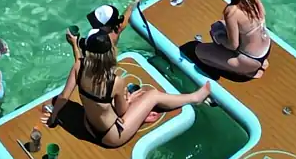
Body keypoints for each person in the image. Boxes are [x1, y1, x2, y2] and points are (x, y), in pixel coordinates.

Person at [46, 29, 210, 149]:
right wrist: (129, 100)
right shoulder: (115, 82)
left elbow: (63, 97)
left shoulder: (78, 67)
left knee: (106, 103)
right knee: (152, 95)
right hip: (112, 136)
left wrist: (53, 119)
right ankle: (194, 98)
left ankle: (141, 115)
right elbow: (122, 111)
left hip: (88, 126)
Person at [193, 0, 270, 80]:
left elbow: (233, 45)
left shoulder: (232, 11)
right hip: (265, 48)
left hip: (250, 60)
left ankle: (247, 72)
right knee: (220, 25)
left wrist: (219, 38)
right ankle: (260, 64)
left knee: (200, 51)